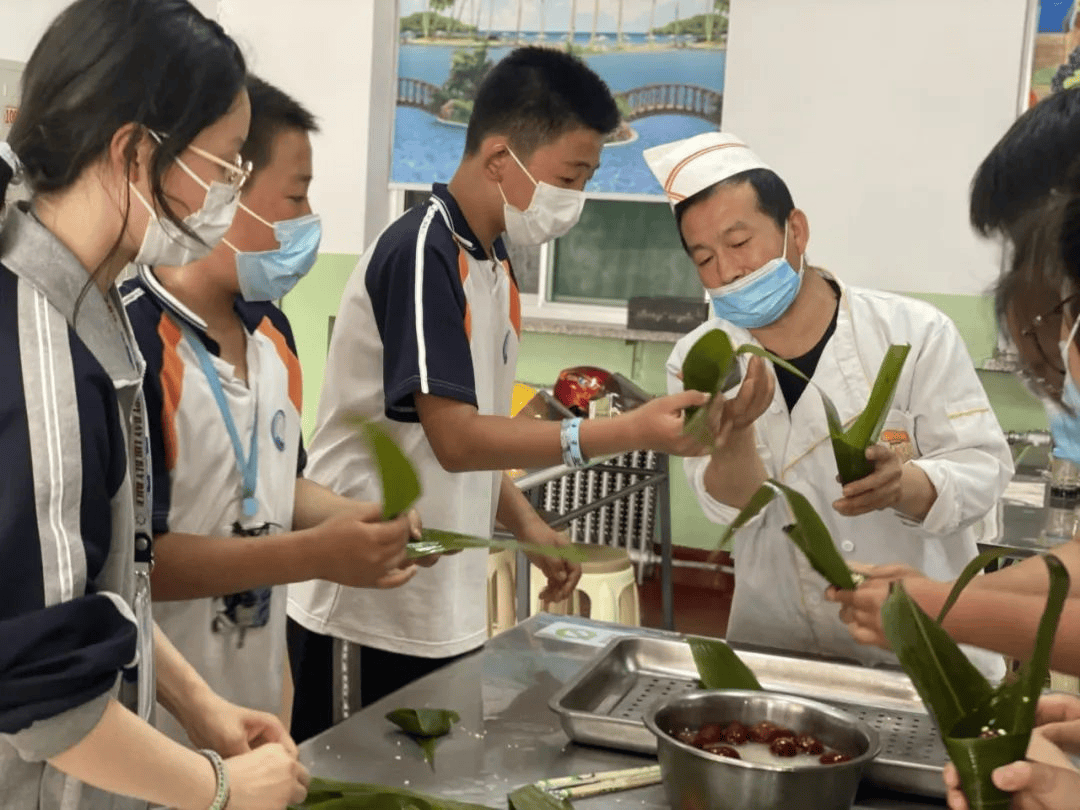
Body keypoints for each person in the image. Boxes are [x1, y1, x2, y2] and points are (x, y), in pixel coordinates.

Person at [286, 45, 708, 742]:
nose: (575, 199)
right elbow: (456, 441)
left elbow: (466, 434)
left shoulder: (495, 260)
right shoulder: (423, 251)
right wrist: (628, 432)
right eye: (570, 177)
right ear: (498, 159)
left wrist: (531, 527)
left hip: (440, 602)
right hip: (366, 605)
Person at [0, 1, 308, 809]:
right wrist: (219, 790)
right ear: (135, 151)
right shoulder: (38, 345)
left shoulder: (97, 309)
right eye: (227, 163)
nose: (232, 192)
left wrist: (199, 706)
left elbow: (105, 582)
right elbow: (42, 688)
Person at [120, 74, 421, 746]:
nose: (309, 216)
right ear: (222, 189)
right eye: (296, 194)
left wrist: (357, 520)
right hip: (154, 733)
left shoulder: (271, 336)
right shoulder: (133, 343)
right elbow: (139, 566)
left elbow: (276, 484)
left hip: (255, 711)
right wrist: (313, 554)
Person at [644, 132, 1013, 675]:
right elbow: (729, 510)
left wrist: (904, 485)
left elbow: (982, 472)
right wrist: (737, 434)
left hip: (923, 654)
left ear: (796, 229)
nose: (727, 271)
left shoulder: (912, 333)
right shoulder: (702, 358)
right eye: (704, 257)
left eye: (740, 243)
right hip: (780, 650)